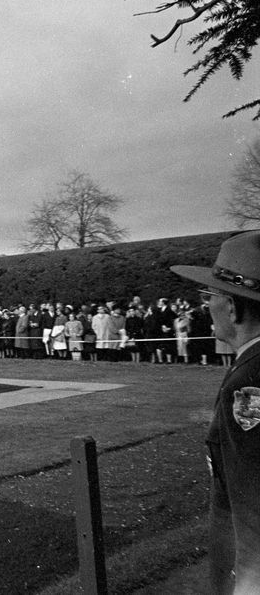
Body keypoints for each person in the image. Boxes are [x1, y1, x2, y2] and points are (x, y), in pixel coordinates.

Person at [171, 231, 260, 593]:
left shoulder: (249, 380)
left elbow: (251, 505)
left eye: (210, 296)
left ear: (234, 307)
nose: (205, 305)